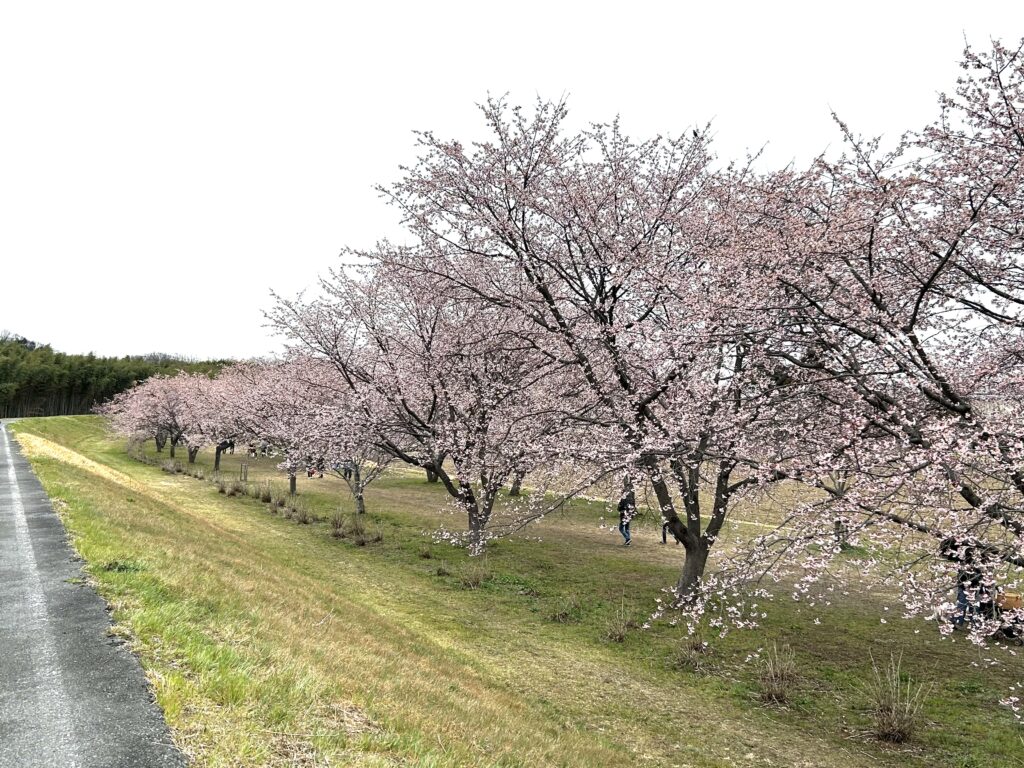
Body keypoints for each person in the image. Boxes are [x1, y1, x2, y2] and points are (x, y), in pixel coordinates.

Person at [617, 477, 636, 546]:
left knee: (621, 528)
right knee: (627, 528)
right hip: (629, 514)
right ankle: (628, 542)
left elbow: (620, 507)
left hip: (624, 514)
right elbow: (633, 507)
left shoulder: (623, 499)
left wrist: (619, 508)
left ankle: (627, 538)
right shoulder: (631, 499)